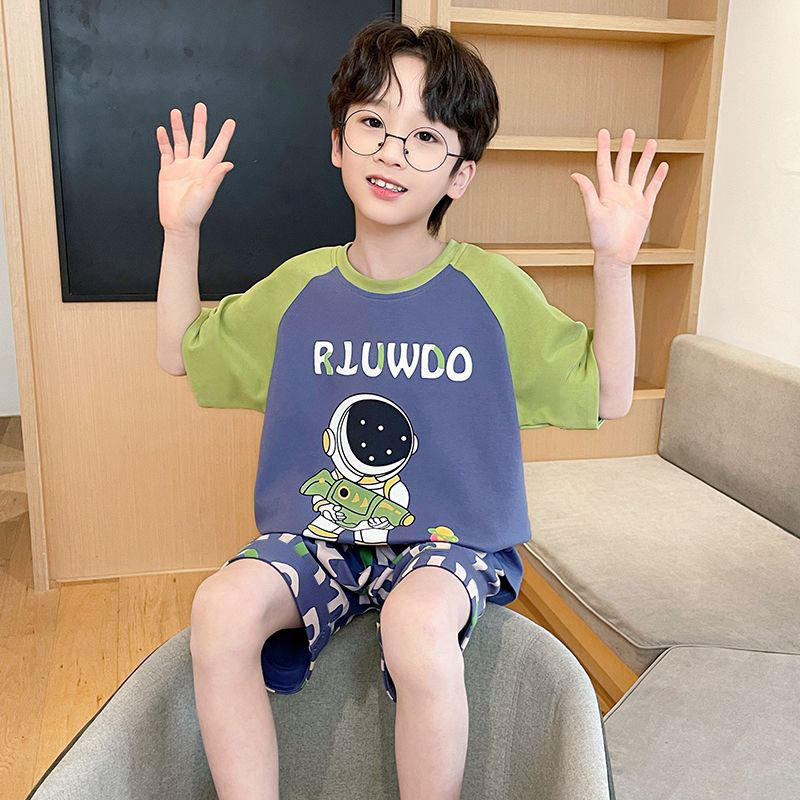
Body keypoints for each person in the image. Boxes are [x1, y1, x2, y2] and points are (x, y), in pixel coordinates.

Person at [156, 16, 660, 800]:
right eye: (373, 124)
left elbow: (611, 392)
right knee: (219, 608)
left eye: (425, 136)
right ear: (338, 143)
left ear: (460, 174)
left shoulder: (489, 290)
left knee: (416, 626)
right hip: (321, 535)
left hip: (450, 543)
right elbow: (178, 352)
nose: (393, 150)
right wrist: (179, 232)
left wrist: (614, 264)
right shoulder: (300, 289)